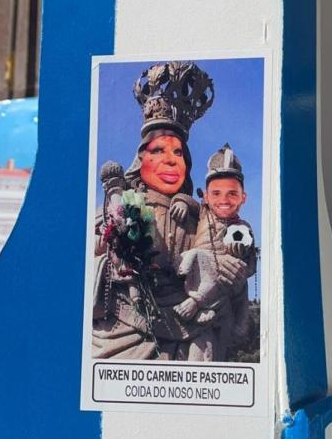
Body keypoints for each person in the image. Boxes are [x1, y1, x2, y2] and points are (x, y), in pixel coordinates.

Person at [92, 62, 247, 361]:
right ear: (141, 160)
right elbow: (94, 257)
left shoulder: (202, 215)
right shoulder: (119, 204)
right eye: (158, 151)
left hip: (190, 332)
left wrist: (233, 271)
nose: (170, 161)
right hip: (124, 332)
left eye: (178, 153)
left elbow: (220, 258)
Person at [174, 144, 256, 361]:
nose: (224, 200)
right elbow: (185, 199)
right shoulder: (202, 212)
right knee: (201, 258)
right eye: (216, 193)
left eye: (232, 194)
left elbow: (247, 264)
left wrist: (239, 251)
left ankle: (203, 305)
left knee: (230, 269)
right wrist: (181, 202)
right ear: (206, 197)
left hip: (220, 291)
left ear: (243, 198)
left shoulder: (241, 226)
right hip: (195, 275)